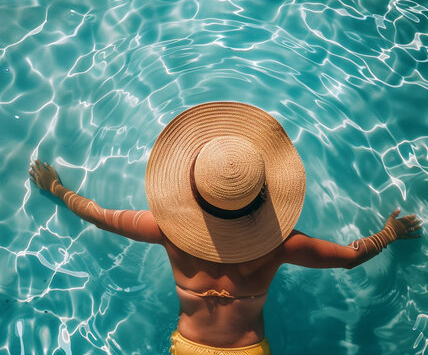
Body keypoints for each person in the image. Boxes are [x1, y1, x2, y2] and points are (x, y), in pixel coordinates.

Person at [29, 102, 422, 355]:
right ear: (266, 195)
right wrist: (389, 233)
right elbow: (351, 258)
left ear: (191, 191)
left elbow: (100, 215)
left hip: (189, 348)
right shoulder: (281, 246)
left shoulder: (165, 229)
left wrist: (57, 188)